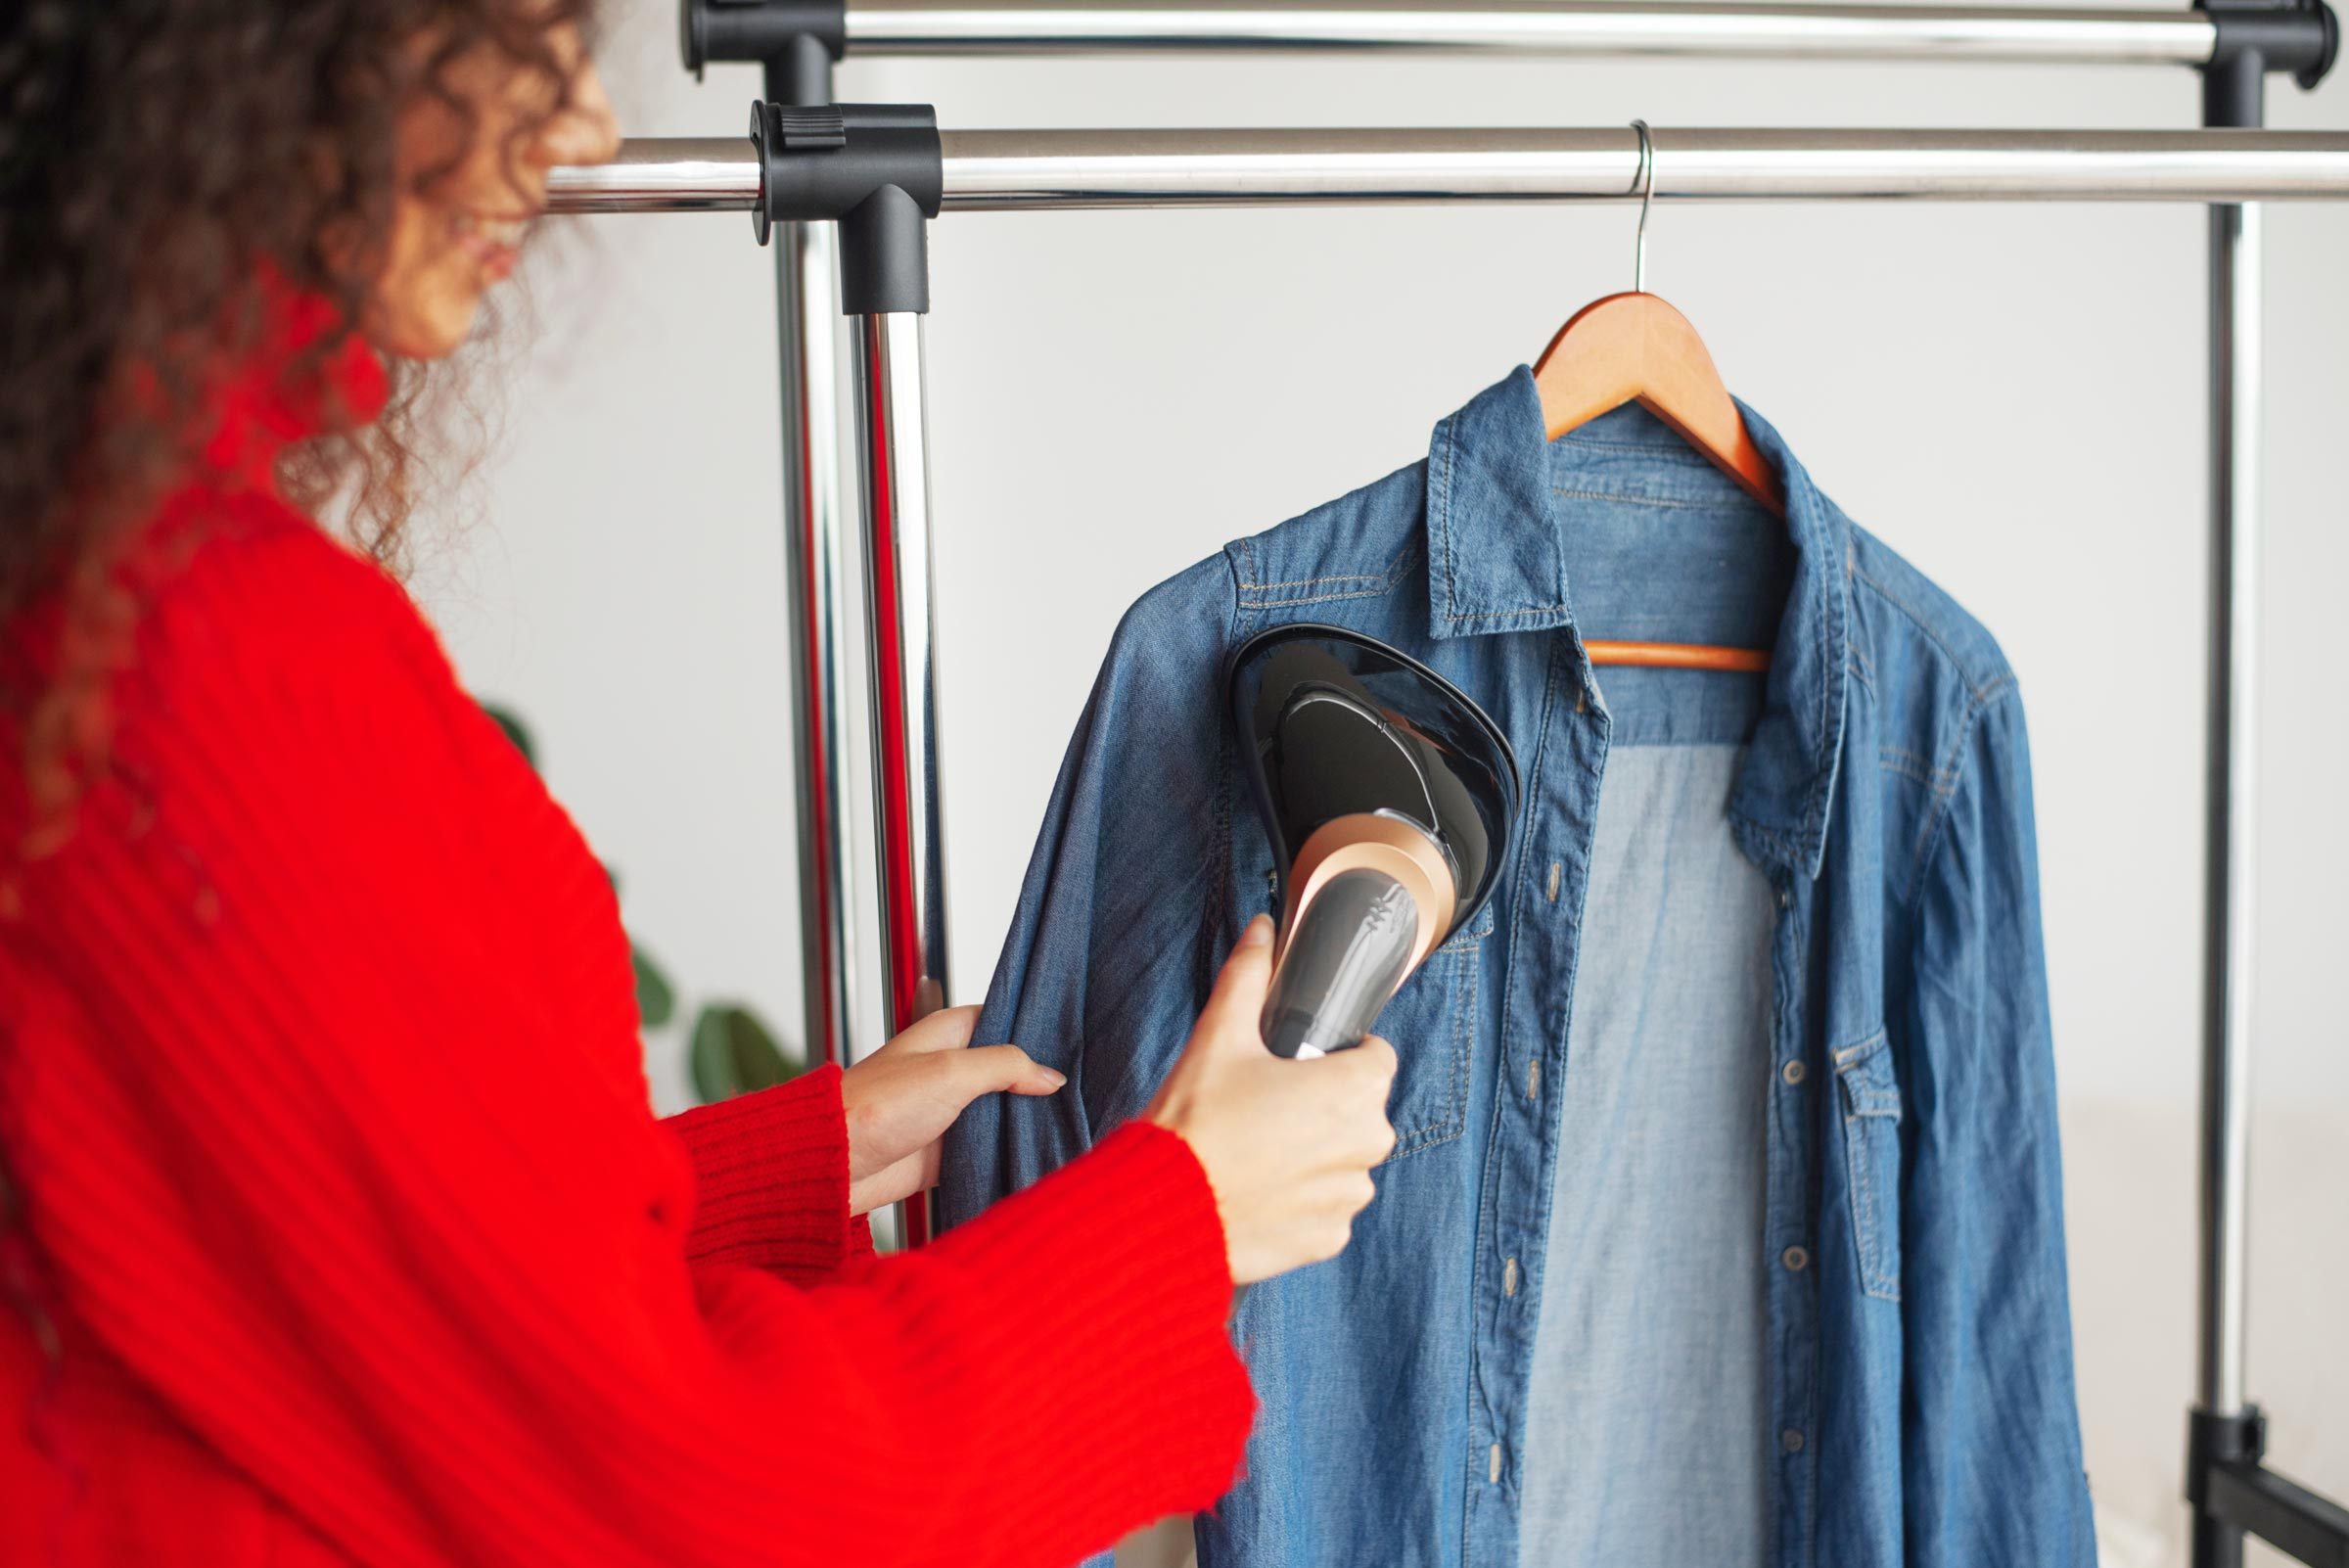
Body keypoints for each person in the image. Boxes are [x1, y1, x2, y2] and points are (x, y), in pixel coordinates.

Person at [0, 6, 1402, 1564]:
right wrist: (1181, 1222)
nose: (587, 127)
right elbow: (691, 1503)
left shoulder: (76, 586)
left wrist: (763, 1171)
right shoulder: (191, 660)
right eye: (518, 31)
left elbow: (254, 1263)